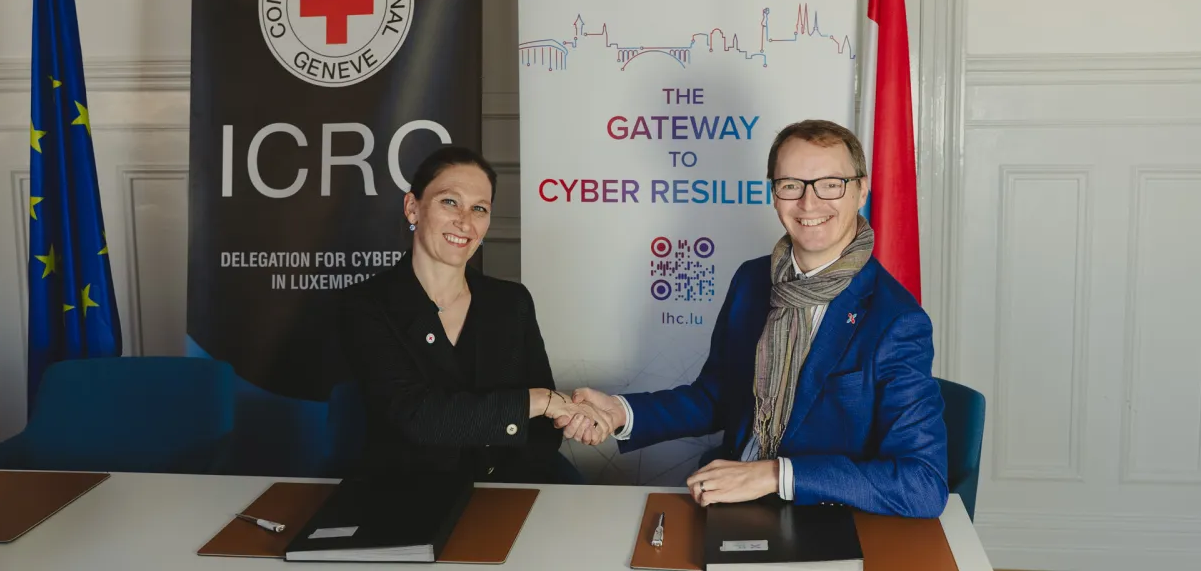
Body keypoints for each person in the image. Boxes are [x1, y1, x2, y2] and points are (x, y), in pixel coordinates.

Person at [558, 120, 949, 517]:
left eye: (831, 183)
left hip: (822, 517)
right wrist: (622, 412)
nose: (809, 203)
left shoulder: (896, 320)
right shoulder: (751, 280)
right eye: (791, 184)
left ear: (861, 189)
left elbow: (923, 484)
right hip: (732, 504)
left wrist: (775, 475)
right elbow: (716, 398)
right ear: (774, 194)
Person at [338, 145, 608, 484]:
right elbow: (418, 417)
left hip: (512, 486)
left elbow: (542, 430)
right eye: (449, 201)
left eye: (479, 208)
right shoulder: (366, 305)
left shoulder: (512, 302)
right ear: (412, 208)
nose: (465, 221)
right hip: (408, 493)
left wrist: (570, 417)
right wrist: (541, 401)